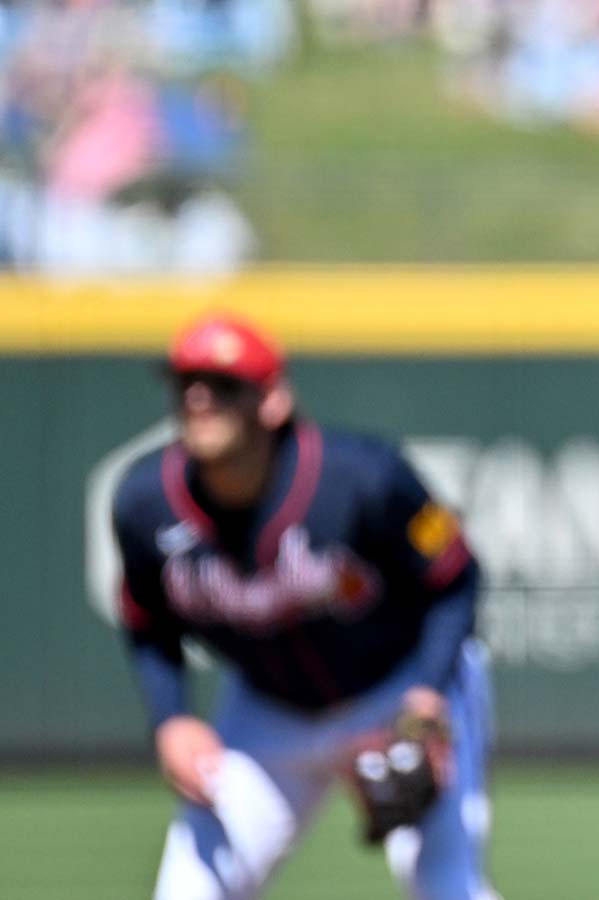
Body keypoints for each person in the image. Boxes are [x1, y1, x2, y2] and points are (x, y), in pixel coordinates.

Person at [111, 312, 497, 900]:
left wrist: (427, 696)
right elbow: (147, 623)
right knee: (187, 892)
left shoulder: (365, 478)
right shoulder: (144, 504)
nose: (199, 398)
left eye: (223, 385)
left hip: (397, 690)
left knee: (445, 888)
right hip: (269, 711)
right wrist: (172, 719)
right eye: (185, 382)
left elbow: (456, 577)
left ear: (272, 399)